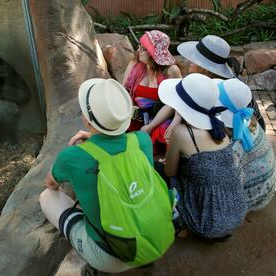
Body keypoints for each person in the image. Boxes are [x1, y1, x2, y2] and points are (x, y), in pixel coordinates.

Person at [39, 78, 175, 273]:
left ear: (87, 120)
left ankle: (91, 258)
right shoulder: (142, 140)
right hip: (158, 239)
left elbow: (50, 183)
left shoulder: (72, 156)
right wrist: (94, 136)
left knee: (47, 197)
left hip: (111, 256)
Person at [159, 73, 247, 239]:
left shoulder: (181, 132)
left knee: (159, 170)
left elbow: (170, 171)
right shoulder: (221, 127)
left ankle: (181, 223)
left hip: (205, 222)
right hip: (235, 210)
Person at [166, 34, 265, 139]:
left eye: (194, 58)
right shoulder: (219, 83)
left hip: (240, 139)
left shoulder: (217, 92)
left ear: (205, 68)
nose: (189, 60)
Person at [214, 78, 276, 211]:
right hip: (267, 187)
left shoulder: (234, 145)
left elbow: (232, 179)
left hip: (253, 198)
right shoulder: (248, 121)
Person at [122, 30, 181, 154]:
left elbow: (176, 102)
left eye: (143, 48)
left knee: (166, 132)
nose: (138, 51)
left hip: (160, 118)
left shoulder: (171, 71)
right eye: (139, 45)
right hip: (135, 117)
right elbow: (124, 92)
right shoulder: (134, 64)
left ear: (154, 52)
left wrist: (150, 126)